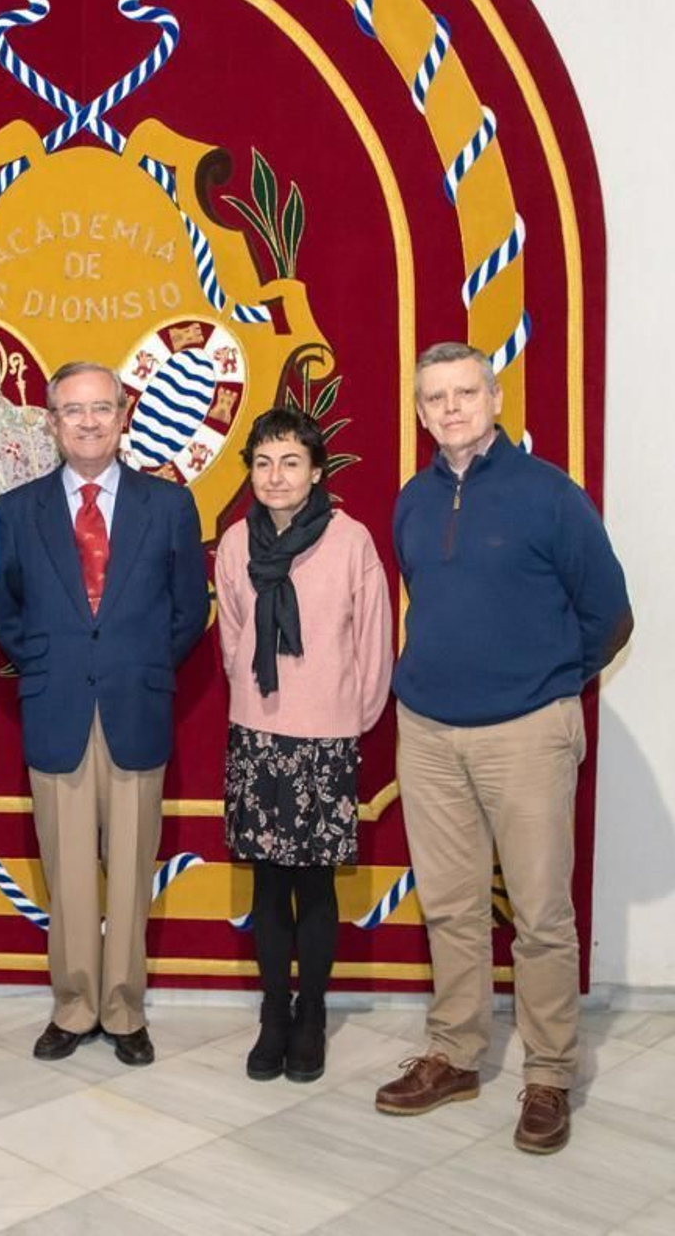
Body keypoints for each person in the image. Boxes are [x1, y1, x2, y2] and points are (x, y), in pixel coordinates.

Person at [374, 342, 632, 1154]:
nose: (451, 408)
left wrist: (548, 682)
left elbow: (610, 614)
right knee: (450, 905)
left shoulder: (550, 496)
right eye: (435, 398)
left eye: (465, 392)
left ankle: (550, 1072)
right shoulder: (411, 500)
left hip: (526, 731)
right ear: (420, 414)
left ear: (494, 396)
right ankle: (454, 1052)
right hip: (427, 730)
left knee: (541, 915)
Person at [0, 360, 208, 1066]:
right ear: (51, 422)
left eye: (101, 409)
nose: (87, 422)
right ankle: (75, 1004)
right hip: (56, 710)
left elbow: (189, 610)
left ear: (124, 416)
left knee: (133, 870)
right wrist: (49, 660)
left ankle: (124, 1008)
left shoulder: (167, 506)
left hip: (136, 707)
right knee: (70, 873)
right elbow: (3, 607)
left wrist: (138, 662)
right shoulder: (16, 510)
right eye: (72, 411)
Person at [214, 407, 392, 1083]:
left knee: (315, 887)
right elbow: (232, 634)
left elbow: (374, 644)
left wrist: (351, 715)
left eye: (291, 462)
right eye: (263, 463)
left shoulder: (350, 542)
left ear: (317, 472)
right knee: (266, 885)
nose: (276, 476)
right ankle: (272, 1016)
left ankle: (311, 1015)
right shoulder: (237, 543)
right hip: (257, 732)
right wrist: (254, 695)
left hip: (325, 736)